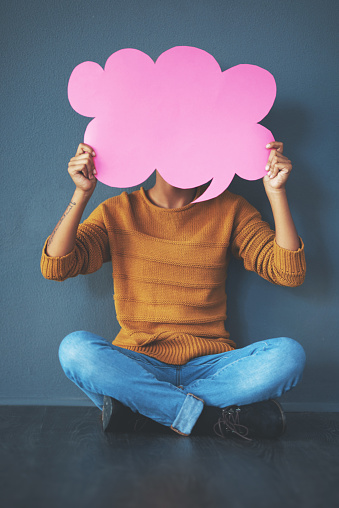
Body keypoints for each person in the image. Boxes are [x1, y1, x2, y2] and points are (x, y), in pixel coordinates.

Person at [41, 141, 306, 440]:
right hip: (138, 362)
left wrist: (276, 192)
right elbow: (56, 267)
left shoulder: (231, 209)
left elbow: (288, 273)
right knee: (75, 349)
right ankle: (204, 418)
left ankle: (148, 412)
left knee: (288, 355)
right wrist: (82, 192)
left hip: (212, 365)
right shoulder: (117, 211)